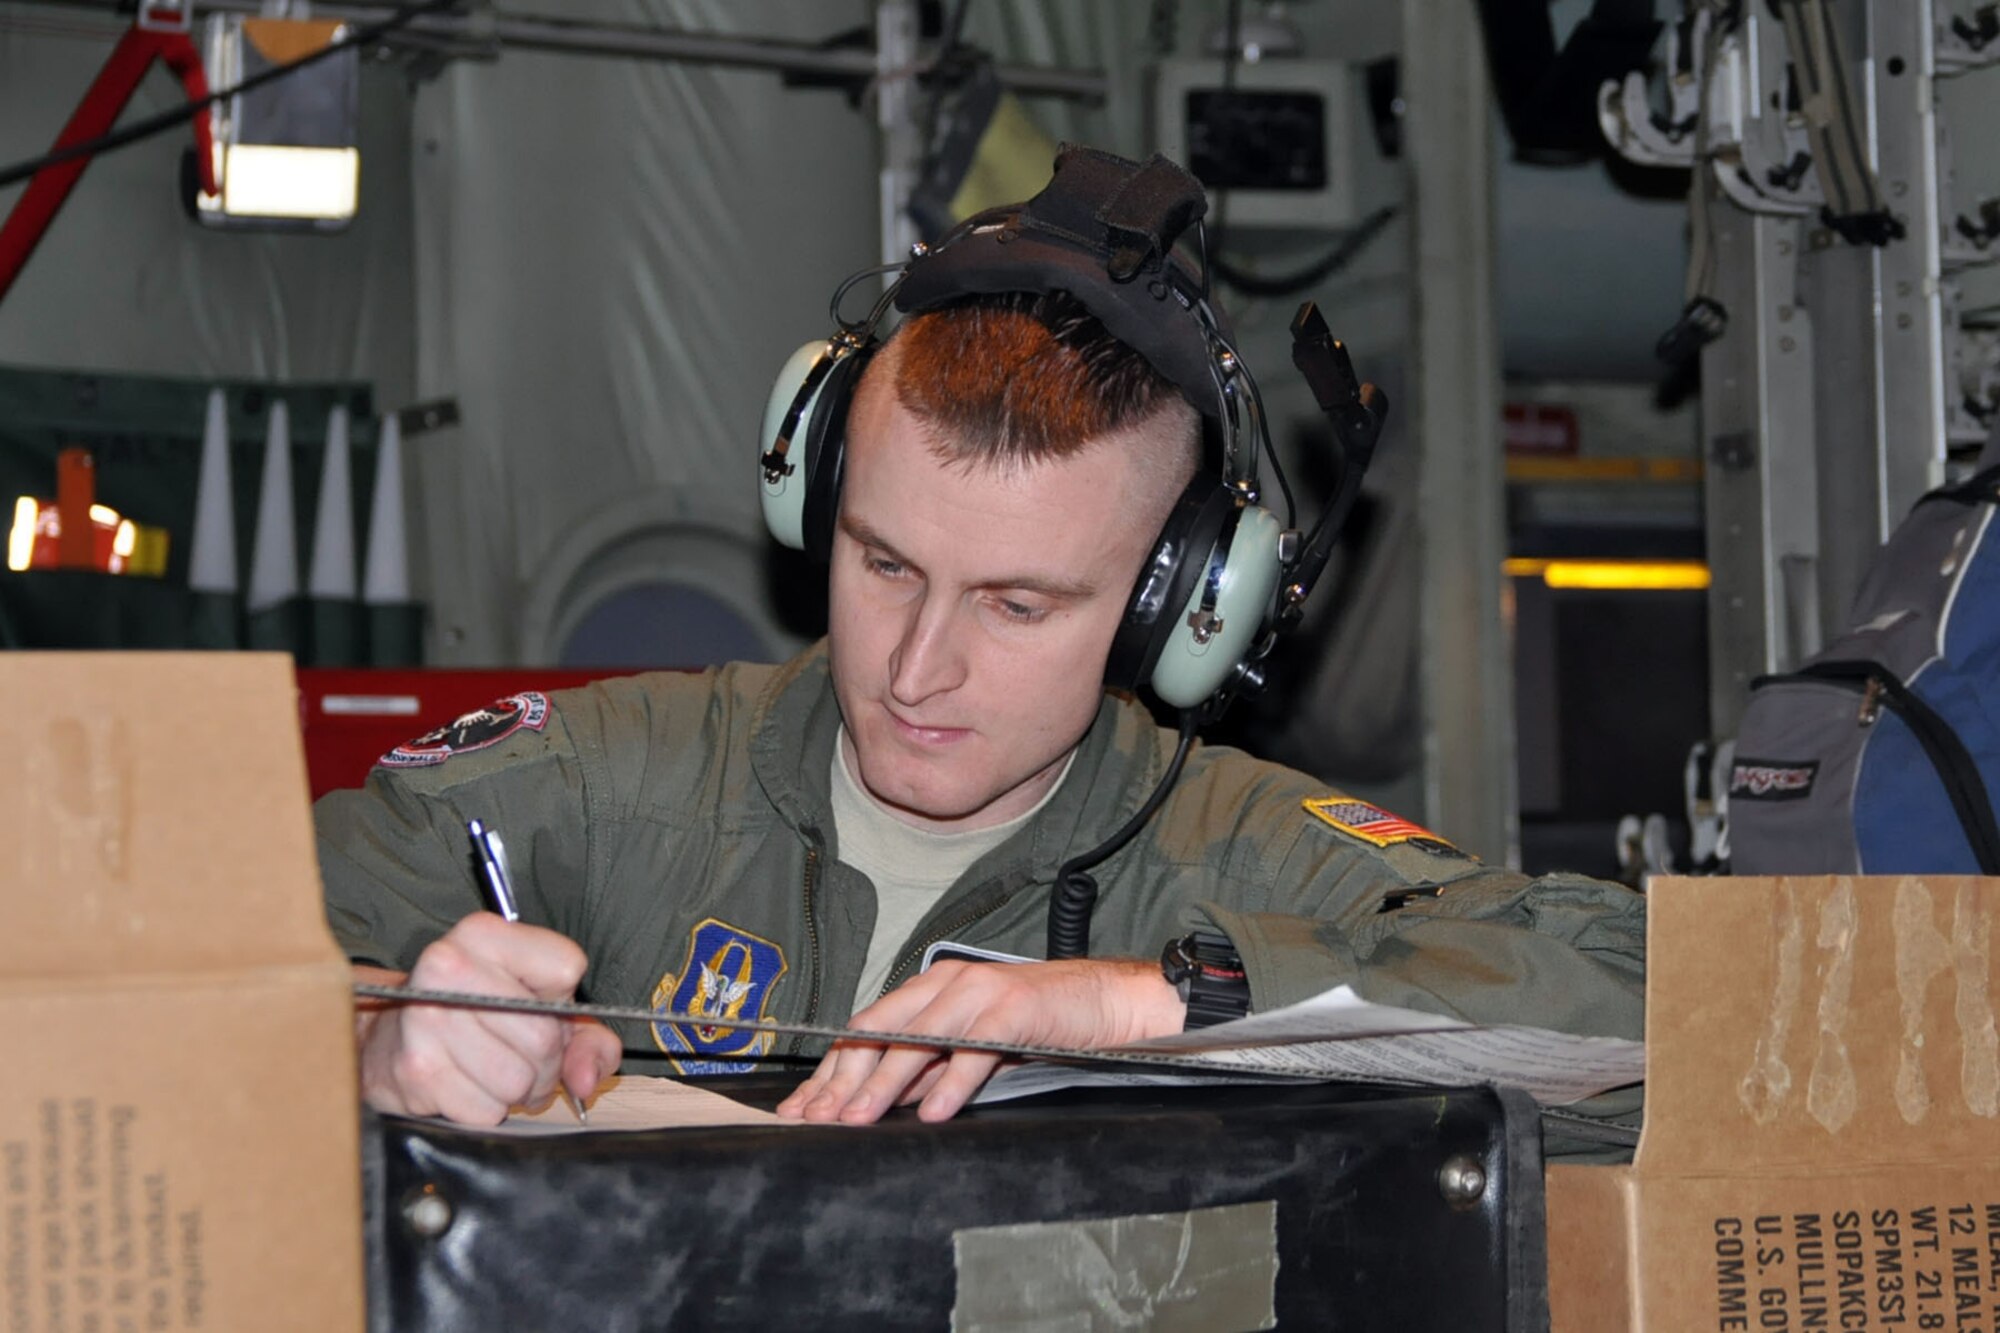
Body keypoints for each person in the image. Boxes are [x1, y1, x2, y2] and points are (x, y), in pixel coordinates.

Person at [317, 146, 1645, 1132]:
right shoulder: (613, 781)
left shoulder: (1240, 854)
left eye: (1018, 603)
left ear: (1177, 609)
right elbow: (170, 964)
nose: (914, 666)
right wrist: (372, 1043)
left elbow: (1649, 1004)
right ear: (814, 493)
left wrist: (1134, 1008)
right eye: (883, 561)